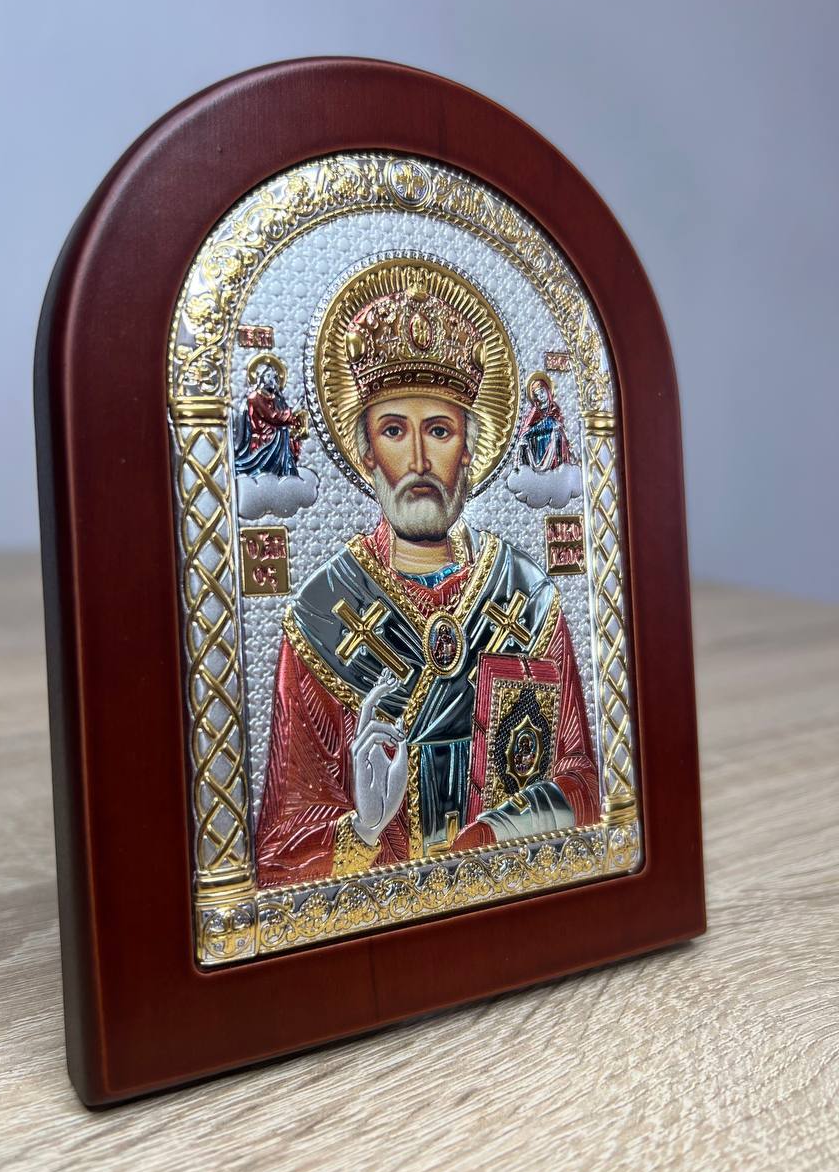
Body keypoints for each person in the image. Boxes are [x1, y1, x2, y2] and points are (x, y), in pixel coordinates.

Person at [255, 271, 599, 887]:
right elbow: (281, 856)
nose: (417, 462)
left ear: (469, 448)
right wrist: (363, 828)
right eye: (394, 431)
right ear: (366, 452)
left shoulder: (528, 596)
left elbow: (582, 784)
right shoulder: (321, 615)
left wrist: (492, 834)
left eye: (439, 430)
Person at [233, 357, 305, 478]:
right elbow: (272, 417)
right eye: (269, 376)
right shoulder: (255, 397)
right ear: (261, 377)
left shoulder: (276, 397)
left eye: (274, 376)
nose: (272, 379)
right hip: (264, 442)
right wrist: (292, 413)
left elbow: (282, 414)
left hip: (277, 439)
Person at [516, 371, 572, 472]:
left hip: (552, 441)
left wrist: (553, 425)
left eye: (542, 392)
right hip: (537, 442)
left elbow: (559, 424)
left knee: (558, 434)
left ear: (547, 390)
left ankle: (558, 466)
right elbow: (526, 431)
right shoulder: (535, 411)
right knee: (523, 443)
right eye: (537, 395)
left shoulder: (554, 409)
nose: (540, 396)